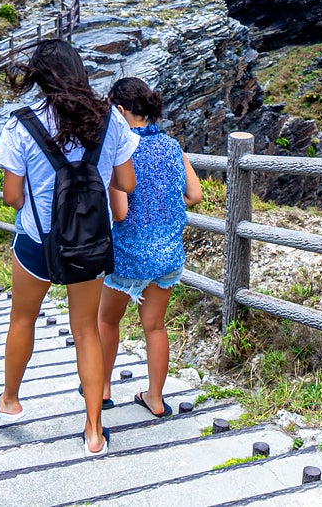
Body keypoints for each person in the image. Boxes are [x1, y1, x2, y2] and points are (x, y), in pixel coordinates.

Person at [0, 40, 138, 457]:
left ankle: (10, 402)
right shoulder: (113, 122)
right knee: (86, 330)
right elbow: (126, 184)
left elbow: (13, 197)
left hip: (38, 242)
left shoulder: (21, 124)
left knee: (22, 319)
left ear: (39, 77)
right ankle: (93, 432)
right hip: (89, 244)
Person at [97, 77, 202, 419]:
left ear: (121, 110)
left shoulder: (119, 150)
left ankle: (102, 389)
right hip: (167, 255)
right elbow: (195, 195)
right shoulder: (173, 147)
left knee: (106, 320)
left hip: (129, 255)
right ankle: (155, 399)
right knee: (154, 326)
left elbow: (121, 212)